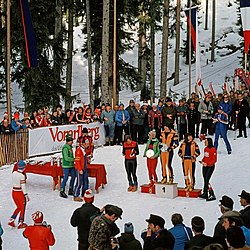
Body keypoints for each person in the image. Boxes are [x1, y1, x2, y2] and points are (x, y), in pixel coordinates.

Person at [8, 160, 29, 229]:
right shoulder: (22, 176)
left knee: (18, 207)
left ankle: (12, 219)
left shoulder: (14, 173)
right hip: (20, 193)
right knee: (22, 207)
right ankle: (21, 222)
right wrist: (26, 195)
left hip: (14, 192)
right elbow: (23, 187)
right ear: (24, 167)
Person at [60, 134, 76, 198]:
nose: (72, 142)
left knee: (74, 176)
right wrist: (73, 159)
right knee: (65, 178)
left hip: (71, 165)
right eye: (71, 141)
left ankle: (71, 189)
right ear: (68, 141)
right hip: (66, 165)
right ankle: (62, 190)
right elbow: (66, 158)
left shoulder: (70, 147)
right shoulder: (65, 148)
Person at [74, 136, 88, 201]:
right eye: (86, 143)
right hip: (80, 169)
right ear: (83, 144)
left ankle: (84, 193)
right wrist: (79, 169)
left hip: (84, 168)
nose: (88, 145)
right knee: (79, 182)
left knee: (85, 181)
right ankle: (76, 195)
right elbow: (77, 161)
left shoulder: (83, 150)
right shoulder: (79, 150)